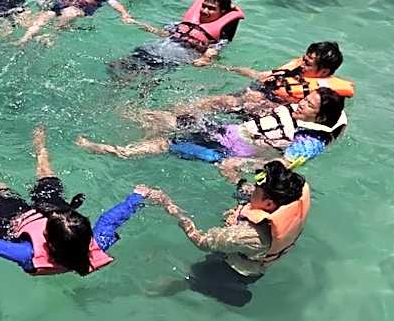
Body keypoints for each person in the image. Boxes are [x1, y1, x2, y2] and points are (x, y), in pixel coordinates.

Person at [0, 126, 144, 276]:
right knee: (45, 179)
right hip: (53, 211)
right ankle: (40, 148)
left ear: (48, 243)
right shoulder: (97, 244)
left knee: (1, 189)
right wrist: (136, 197)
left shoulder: (27, 253)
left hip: (19, 220)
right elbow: (111, 220)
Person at [136, 161, 311, 307]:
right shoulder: (288, 201)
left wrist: (167, 204)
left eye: (257, 190)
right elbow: (253, 195)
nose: (253, 190)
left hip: (233, 270)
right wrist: (234, 177)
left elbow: (202, 242)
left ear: (269, 204)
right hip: (252, 257)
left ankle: (181, 287)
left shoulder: (248, 235)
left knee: (194, 277)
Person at [76, 88, 347, 182]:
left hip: (226, 150)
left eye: (308, 105)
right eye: (305, 99)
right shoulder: (299, 111)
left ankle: (115, 151)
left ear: (320, 117)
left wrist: (239, 166)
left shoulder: (308, 142)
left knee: (165, 143)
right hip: (225, 130)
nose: (301, 104)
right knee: (162, 118)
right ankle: (115, 111)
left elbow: (282, 166)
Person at [174, 41, 355, 117]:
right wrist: (224, 68)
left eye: (308, 63)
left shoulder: (323, 92)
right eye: (305, 58)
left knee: (221, 102)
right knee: (208, 102)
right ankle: (173, 112)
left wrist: (266, 104)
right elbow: (262, 75)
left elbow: (297, 111)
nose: (303, 63)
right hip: (256, 93)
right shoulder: (296, 69)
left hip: (264, 106)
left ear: (323, 72)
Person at [108, 0, 245, 75]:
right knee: (114, 67)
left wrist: (205, 59)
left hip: (166, 61)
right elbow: (164, 34)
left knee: (129, 81)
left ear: (222, 12)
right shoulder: (184, 23)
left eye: (211, 8)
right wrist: (138, 24)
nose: (204, 11)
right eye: (204, 6)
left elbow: (212, 52)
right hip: (150, 50)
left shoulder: (219, 38)